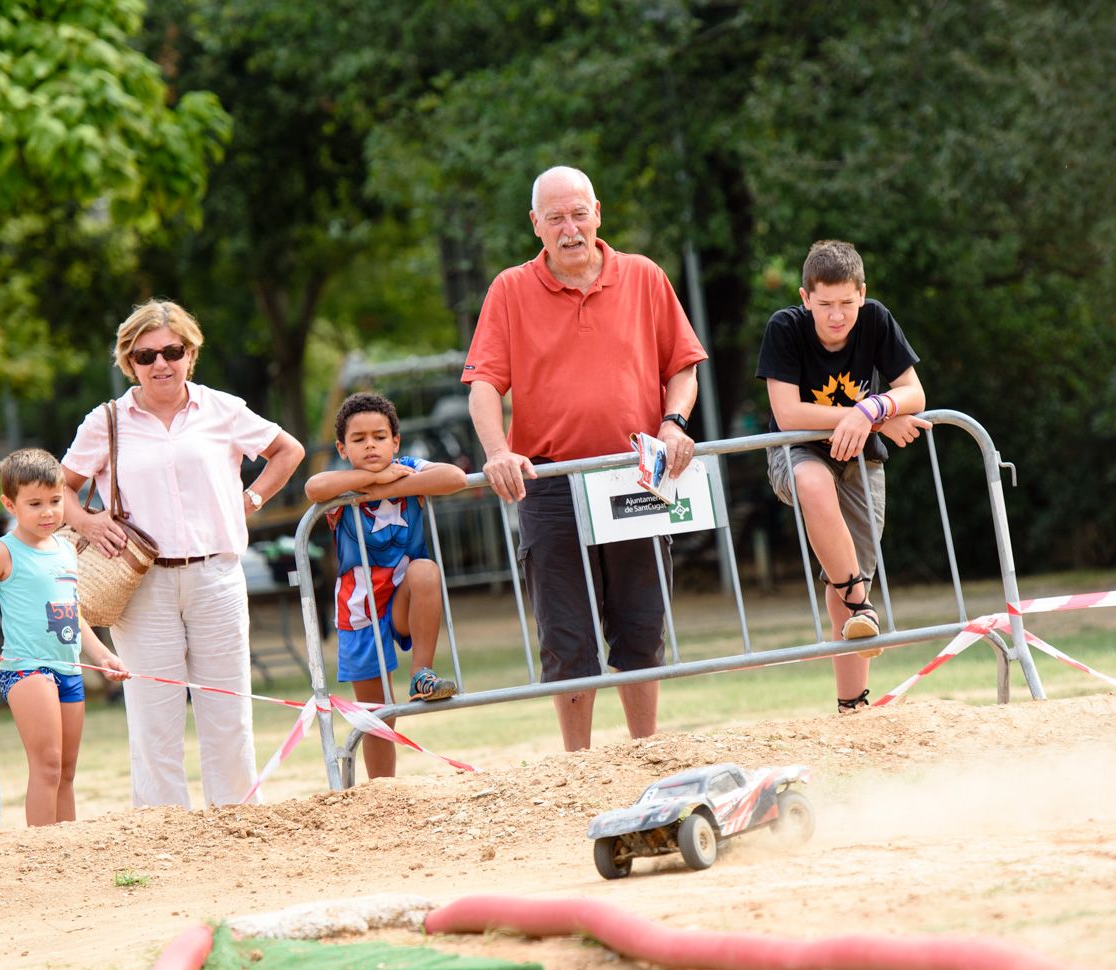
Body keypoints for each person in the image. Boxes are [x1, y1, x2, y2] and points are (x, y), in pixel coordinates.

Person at [463, 166, 707, 750]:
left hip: (638, 475)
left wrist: (673, 422)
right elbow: (483, 384)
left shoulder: (644, 276)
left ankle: (645, 751)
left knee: (641, 625)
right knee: (566, 636)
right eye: (556, 218)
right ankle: (580, 769)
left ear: (597, 213)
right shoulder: (509, 289)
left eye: (578, 214)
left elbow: (683, 368)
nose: (569, 229)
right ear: (536, 225)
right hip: (550, 481)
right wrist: (497, 452)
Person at [61, 299, 305, 808]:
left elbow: (289, 450)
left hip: (216, 575)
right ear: (128, 362)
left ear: (191, 354)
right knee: (153, 714)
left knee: (228, 710)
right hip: (140, 583)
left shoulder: (223, 409)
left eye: (172, 351)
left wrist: (251, 500)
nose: (161, 364)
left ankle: (237, 820)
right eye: (145, 355)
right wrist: (86, 520)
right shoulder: (106, 421)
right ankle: (161, 828)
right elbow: (60, 487)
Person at [756, 240, 929, 712]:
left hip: (861, 459)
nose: (837, 316)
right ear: (805, 298)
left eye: (847, 303)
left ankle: (852, 705)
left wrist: (871, 410)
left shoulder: (876, 319)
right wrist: (872, 418)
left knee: (850, 574)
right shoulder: (784, 327)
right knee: (814, 486)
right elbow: (789, 414)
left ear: (862, 294)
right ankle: (860, 606)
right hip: (797, 451)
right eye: (825, 304)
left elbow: (914, 393)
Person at [0, 448, 129, 826]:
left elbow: (71, 612)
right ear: (9, 504)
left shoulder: (66, 549)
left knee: (66, 771)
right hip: (28, 670)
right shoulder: (3, 552)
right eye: (35, 504)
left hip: (70, 670)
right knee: (47, 766)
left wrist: (101, 656)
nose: (48, 512)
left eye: (55, 501)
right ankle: (42, 849)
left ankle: (66, 845)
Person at [304, 392, 469, 779]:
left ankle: (421, 674)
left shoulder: (409, 468)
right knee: (378, 713)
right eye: (358, 439)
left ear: (395, 441)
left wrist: (389, 489)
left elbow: (456, 477)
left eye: (379, 437)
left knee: (425, 570)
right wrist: (373, 479)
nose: (370, 445)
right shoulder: (340, 485)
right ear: (342, 448)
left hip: (402, 602)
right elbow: (314, 486)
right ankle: (382, 791)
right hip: (359, 611)